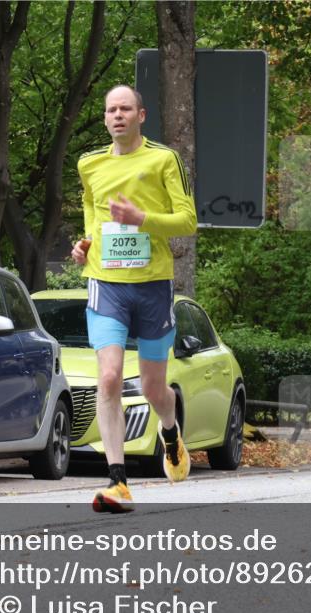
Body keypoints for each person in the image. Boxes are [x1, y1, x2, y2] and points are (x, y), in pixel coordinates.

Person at [71, 84, 197, 512]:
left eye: (126, 108)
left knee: (152, 386)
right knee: (108, 378)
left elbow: (188, 221)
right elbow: (91, 211)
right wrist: (85, 243)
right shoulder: (88, 164)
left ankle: (169, 428)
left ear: (141, 115)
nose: (117, 115)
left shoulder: (163, 159)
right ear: (105, 118)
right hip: (105, 284)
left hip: (152, 284)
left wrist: (142, 218)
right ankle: (118, 482)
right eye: (111, 110)